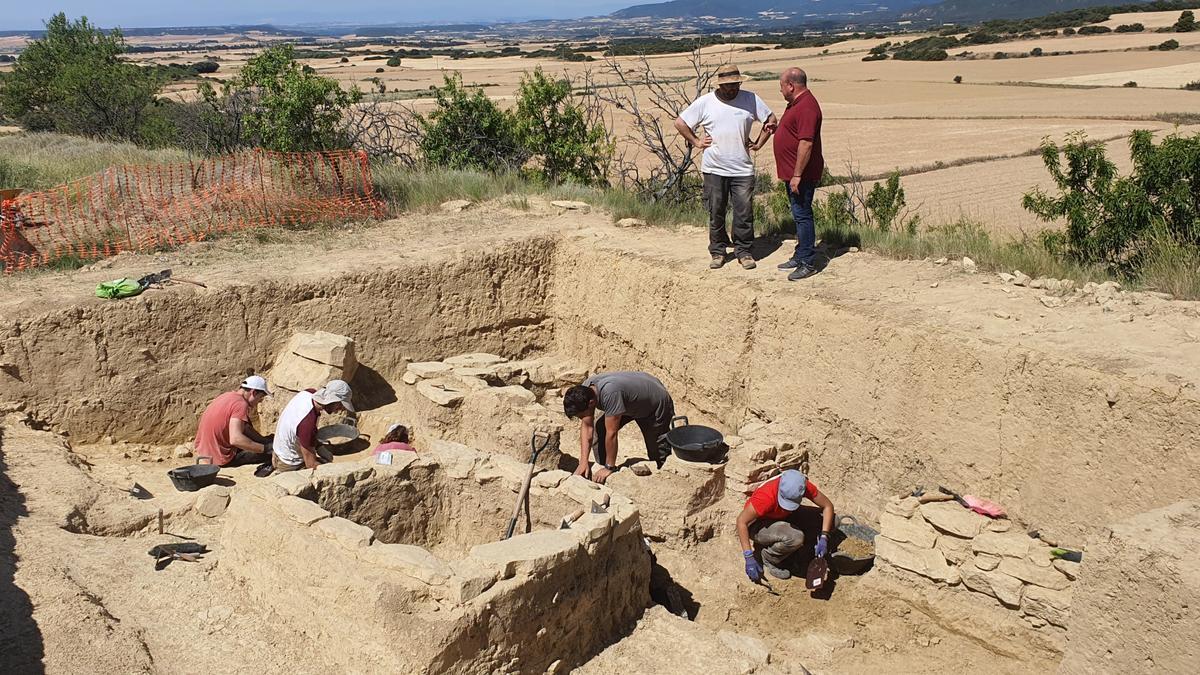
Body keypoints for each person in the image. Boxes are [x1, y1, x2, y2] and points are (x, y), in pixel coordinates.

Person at [674, 64, 777, 271]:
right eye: (728, 85)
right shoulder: (705, 102)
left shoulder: (751, 99)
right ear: (720, 85)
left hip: (742, 169)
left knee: (744, 212)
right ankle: (718, 251)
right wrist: (696, 142)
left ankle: (744, 250)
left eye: (735, 84)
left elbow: (772, 120)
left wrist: (758, 143)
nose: (732, 89)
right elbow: (680, 122)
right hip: (714, 168)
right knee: (716, 211)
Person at [562, 371, 675, 484]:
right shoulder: (586, 389)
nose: (582, 418)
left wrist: (609, 467)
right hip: (631, 398)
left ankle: (664, 477)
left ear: (591, 403)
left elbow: (612, 434)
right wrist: (583, 462)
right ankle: (602, 470)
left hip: (655, 403)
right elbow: (587, 427)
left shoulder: (610, 394)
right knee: (601, 429)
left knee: (657, 447)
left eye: (582, 415)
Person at [773, 67, 824, 281]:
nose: (781, 90)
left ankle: (807, 262)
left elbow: (806, 143)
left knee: (803, 215)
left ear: (791, 86)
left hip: (801, 175)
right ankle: (800, 254)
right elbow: (794, 133)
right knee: (798, 214)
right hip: (794, 173)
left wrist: (797, 175)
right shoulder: (796, 104)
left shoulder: (806, 107)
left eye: (782, 86)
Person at [736, 469, 835, 581]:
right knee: (795, 537)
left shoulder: (800, 485)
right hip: (759, 525)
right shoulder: (766, 497)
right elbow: (741, 522)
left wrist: (824, 537)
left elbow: (828, 506)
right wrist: (749, 557)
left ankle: (799, 551)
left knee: (832, 520)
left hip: (783, 515)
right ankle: (769, 558)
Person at [272, 379, 355, 472]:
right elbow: (311, 465)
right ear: (333, 399)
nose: (341, 409)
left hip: (279, 452)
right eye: (340, 405)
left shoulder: (309, 393)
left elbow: (302, 433)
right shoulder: (307, 424)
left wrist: (318, 446)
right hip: (289, 463)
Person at [193, 375, 274, 467]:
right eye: (260, 398)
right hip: (220, 458)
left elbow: (245, 427)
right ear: (254, 392)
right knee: (270, 454)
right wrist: (265, 448)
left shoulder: (227, 396)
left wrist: (263, 440)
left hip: (204, 452)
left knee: (268, 439)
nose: (259, 402)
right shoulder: (241, 405)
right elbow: (236, 439)